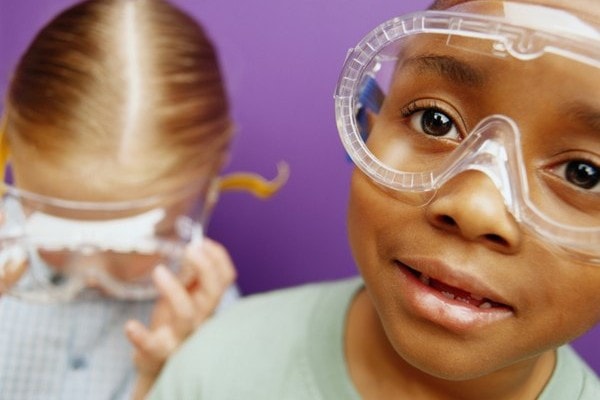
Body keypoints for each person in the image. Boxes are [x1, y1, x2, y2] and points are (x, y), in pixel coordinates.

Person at [148, 0, 600, 399]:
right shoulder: (216, 366)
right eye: (435, 121)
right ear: (368, 122)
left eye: (585, 174)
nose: (474, 207)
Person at [0, 0, 286, 398]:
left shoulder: (207, 318)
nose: (93, 271)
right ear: (9, 145)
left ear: (210, 177)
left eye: (135, 243)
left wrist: (163, 379)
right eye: (57, 231)